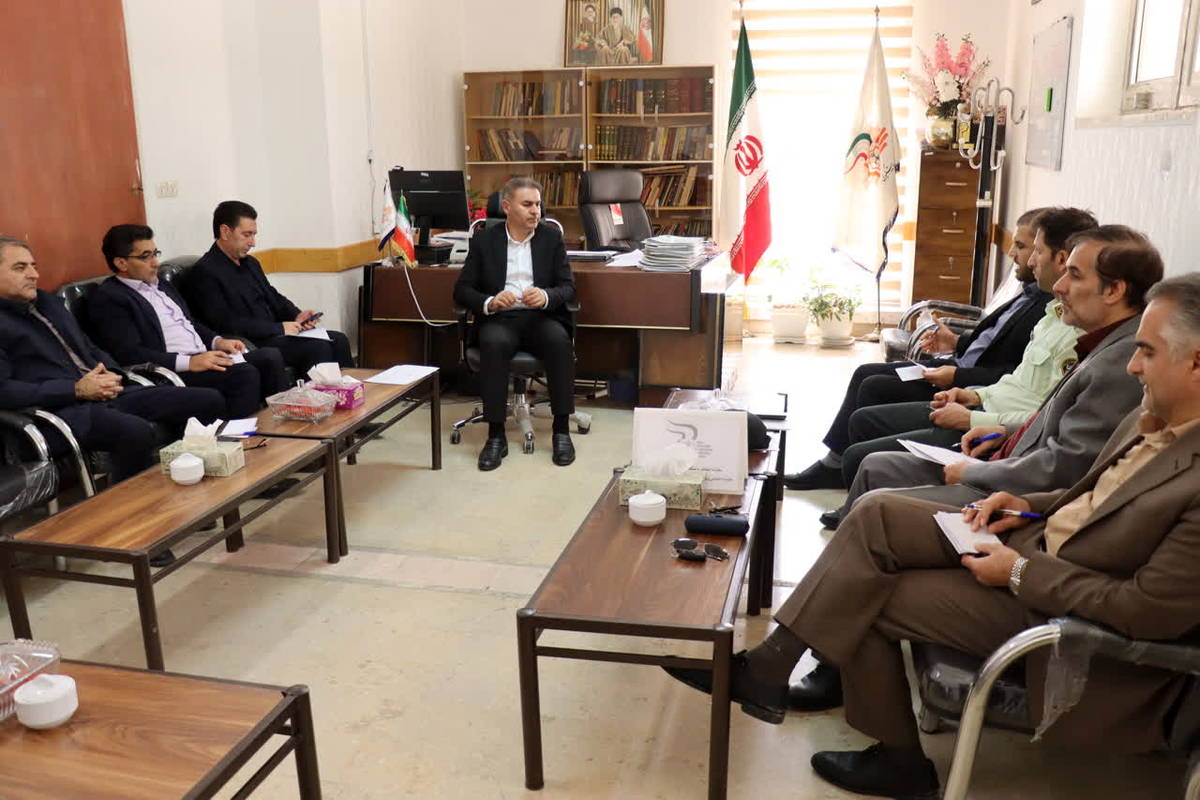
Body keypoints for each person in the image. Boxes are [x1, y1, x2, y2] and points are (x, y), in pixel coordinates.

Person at [664, 273, 1200, 799]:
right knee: (875, 514)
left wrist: (1018, 571)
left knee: (868, 588)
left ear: (1196, 363)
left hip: (1063, 608)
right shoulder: (1154, 421)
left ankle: (881, 747)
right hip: (1031, 541)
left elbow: (1148, 611)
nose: (1133, 365)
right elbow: (1094, 497)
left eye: (1147, 352)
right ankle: (776, 671)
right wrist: (1030, 505)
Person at [823, 226, 1159, 530]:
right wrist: (1001, 428)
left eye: (1074, 275)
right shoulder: (1095, 340)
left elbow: (1062, 467)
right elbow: (1048, 417)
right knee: (874, 463)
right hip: (1002, 447)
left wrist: (974, 463)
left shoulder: (1119, 363)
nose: (1059, 286)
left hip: (1012, 491)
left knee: (873, 502)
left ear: (1113, 290)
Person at [785, 207, 1053, 491]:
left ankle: (847, 465)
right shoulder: (1029, 294)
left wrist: (957, 377)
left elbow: (1010, 372)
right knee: (865, 372)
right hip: (957, 367)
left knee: (874, 386)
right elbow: (992, 340)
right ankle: (836, 462)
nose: (1013, 253)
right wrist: (955, 342)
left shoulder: (1047, 310)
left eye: (1023, 247)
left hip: (967, 382)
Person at [0, 236, 225, 484]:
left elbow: (89, 347)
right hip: (58, 412)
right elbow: (5, 391)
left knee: (207, 399)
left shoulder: (48, 303)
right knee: (134, 431)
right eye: (20, 268)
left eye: (33, 266)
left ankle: (194, 483)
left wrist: (113, 373)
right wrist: (75, 389)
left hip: (106, 393)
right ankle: (131, 506)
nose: (33, 274)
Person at [88, 224, 288, 418]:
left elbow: (190, 322)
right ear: (121, 263)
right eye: (145, 256)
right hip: (173, 370)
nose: (155, 262)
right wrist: (190, 362)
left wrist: (217, 341)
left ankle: (282, 427)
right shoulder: (110, 298)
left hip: (203, 356)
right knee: (243, 374)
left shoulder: (161, 285)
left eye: (155, 254)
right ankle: (242, 436)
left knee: (269, 358)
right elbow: (129, 353)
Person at [453, 176, 577, 471]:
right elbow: (462, 290)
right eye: (527, 204)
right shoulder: (485, 240)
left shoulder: (551, 238)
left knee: (559, 341)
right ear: (507, 207)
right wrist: (490, 301)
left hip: (540, 317)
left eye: (538, 204)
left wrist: (546, 296)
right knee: (493, 343)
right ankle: (495, 435)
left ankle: (562, 431)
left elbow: (568, 288)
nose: (536, 211)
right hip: (501, 318)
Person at [188, 201, 353, 376]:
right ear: (225, 231)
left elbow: (273, 296)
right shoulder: (205, 272)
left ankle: (352, 389)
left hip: (275, 334)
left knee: (339, 339)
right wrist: (279, 329)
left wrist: (297, 316)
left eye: (254, 235)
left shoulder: (250, 263)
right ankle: (321, 393)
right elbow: (226, 324)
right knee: (318, 347)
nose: (253, 243)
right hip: (252, 342)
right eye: (247, 235)